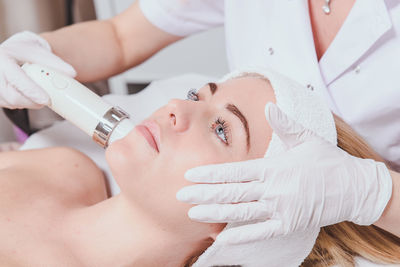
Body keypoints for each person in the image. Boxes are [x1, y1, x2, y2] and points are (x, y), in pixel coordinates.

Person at [1, 0, 400, 261]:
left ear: (237, 220)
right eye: (196, 95)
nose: (175, 106)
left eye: (222, 130)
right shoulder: (64, 169)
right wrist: (38, 52)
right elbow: (121, 36)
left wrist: (372, 192)